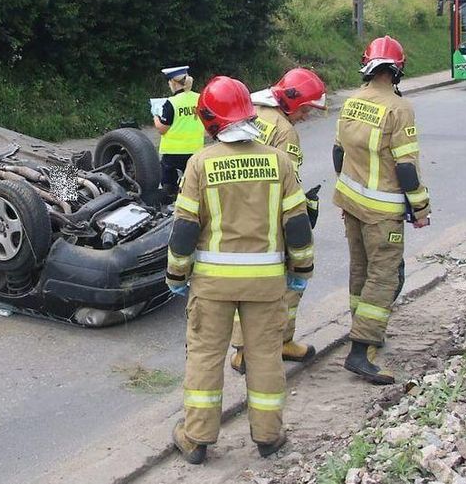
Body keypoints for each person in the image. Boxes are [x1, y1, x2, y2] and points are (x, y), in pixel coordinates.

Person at [166, 76, 315, 464]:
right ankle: (268, 437)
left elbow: (185, 229)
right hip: (266, 286)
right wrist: (302, 269)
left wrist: (176, 275)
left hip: (212, 286)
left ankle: (197, 440)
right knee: (265, 356)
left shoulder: (201, 163)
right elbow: (297, 225)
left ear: (211, 121)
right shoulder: (278, 161)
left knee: (204, 357)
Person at [332, 36, 431, 385]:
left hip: (351, 203)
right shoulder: (398, 108)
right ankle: (362, 351)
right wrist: (420, 207)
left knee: (360, 269)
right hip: (382, 210)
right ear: (398, 69)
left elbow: (338, 155)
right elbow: (406, 168)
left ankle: (362, 329)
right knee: (385, 276)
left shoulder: (351, 102)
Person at [230, 68, 327, 375]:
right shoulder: (285, 130)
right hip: (268, 218)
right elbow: (289, 183)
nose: (306, 116)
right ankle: (281, 341)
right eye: (306, 110)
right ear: (294, 103)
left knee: (242, 285)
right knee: (290, 284)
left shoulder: (252, 111)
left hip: (236, 212)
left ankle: (242, 352)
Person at [154, 66, 205, 198]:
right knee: (194, 185)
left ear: (173, 82)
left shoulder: (171, 102)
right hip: (196, 150)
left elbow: (162, 129)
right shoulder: (199, 98)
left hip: (173, 154)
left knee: (169, 187)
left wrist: (155, 116)